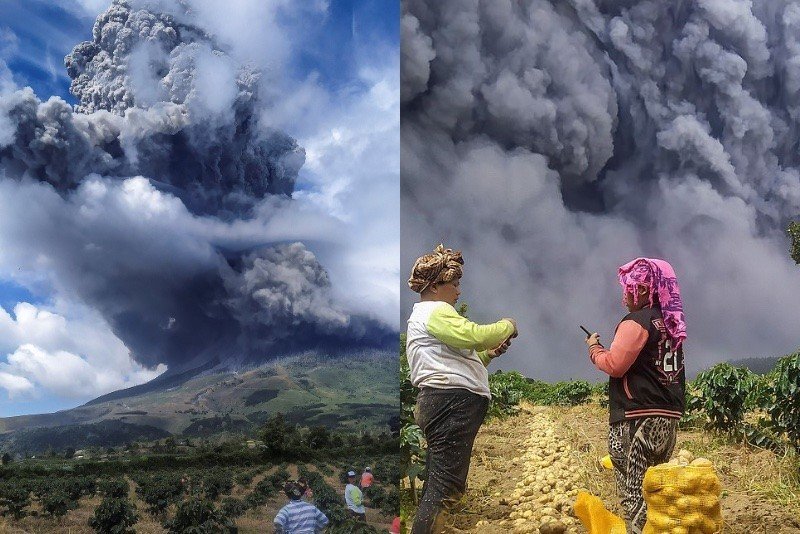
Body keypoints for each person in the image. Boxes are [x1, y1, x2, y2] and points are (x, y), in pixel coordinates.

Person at [406, 244, 517, 533]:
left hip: (443, 401)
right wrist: (507, 325)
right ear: (434, 286)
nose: (458, 291)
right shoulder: (435, 311)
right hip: (449, 403)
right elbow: (473, 335)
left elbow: (460, 358)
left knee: (437, 480)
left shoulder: (428, 317)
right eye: (454, 284)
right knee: (445, 487)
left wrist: (489, 355)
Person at [585, 257, 686, 534]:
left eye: (627, 288)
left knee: (633, 486)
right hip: (667, 416)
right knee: (656, 484)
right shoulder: (671, 325)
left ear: (641, 289)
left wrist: (595, 349)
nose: (624, 297)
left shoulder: (636, 321)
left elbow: (615, 365)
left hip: (636, 415)